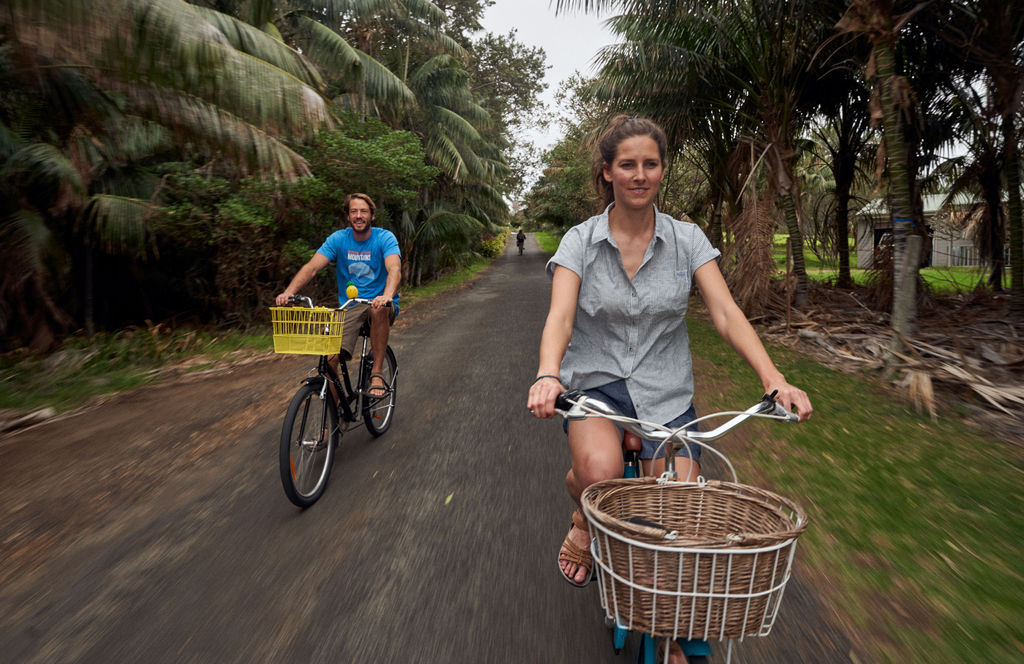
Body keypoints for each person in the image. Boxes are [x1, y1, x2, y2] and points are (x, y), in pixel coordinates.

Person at [526, 115, 812, 662]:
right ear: (607, 172)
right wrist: (547, 373)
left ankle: (675, 632)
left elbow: (726, 314)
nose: (639, 175)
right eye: (627, 165)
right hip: (597, 387)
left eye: (650, 164)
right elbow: (560, 318)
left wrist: (774, 380)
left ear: (661, 170)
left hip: (666, 393)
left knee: (681, 512)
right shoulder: (580, 241)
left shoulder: (687, 240)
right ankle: (583, 517)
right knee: (598, 474)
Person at [276, 193, 401, 398]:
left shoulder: (384, 238)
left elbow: (394, 269)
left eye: (363, 211)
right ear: (348, 216)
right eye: (354, 211)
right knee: (329, 360)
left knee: (378, 308)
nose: (358, 216)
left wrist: (387, 295)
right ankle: (333, 423)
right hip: (349, 307)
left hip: (380, 302)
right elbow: (312, 268)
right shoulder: (338, 239)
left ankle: (376, 372)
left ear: (372, 215)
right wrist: (289, 292)